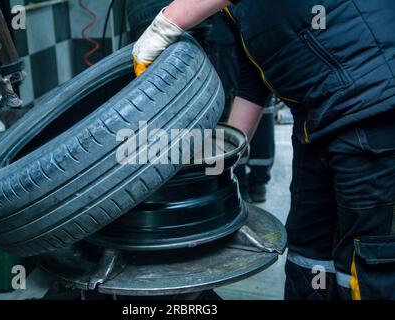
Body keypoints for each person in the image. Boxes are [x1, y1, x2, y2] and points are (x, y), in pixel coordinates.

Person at [132, 0, 395, 300]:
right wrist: (219, 159)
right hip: (317, 126)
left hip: (375, 112)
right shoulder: (234, 14)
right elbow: (253, 83)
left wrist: (166, 23)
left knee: (368, 262)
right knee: (309, 253)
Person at [206, 14, 275, 203]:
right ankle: (258, 183)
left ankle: (237, 183)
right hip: (261, 35)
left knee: (228, 107)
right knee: (261, 102)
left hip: (227, 38)